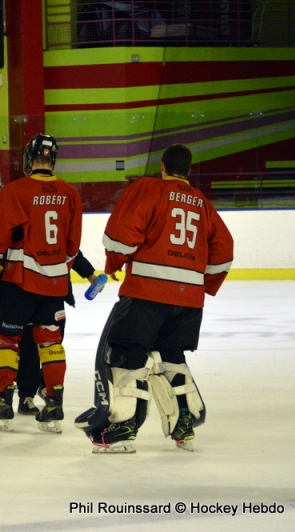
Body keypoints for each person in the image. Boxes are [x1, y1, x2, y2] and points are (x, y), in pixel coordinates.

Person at [75, 144, 234, 453]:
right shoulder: (202, 203)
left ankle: (123, 428)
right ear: (188, 171)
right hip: (188, 301)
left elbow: (121, 236)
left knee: (128, 355)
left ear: (162, 167)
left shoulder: (148, 188)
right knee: (172, 357)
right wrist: (201, 283)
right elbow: (224, 252)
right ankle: (184, 426)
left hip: (146, 294)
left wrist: (114, 263)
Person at [0, 133, 82, 431]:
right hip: (54, 285)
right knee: (50, 341)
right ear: (53, 159)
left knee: (6, 339)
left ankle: (3, 403)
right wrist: (56, 270)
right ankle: (54, 403)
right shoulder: (70, 193)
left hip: (19, 282)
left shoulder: (14, 191)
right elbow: (72, 247)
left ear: (29, 159)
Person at [16, 250, 98, 423]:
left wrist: (90, 274)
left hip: (54, 294)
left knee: (52, 347)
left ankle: (47, 388)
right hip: (26, 294)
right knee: (29, 349)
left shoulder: (59, 234)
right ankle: (26, 395)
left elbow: (71, 251)